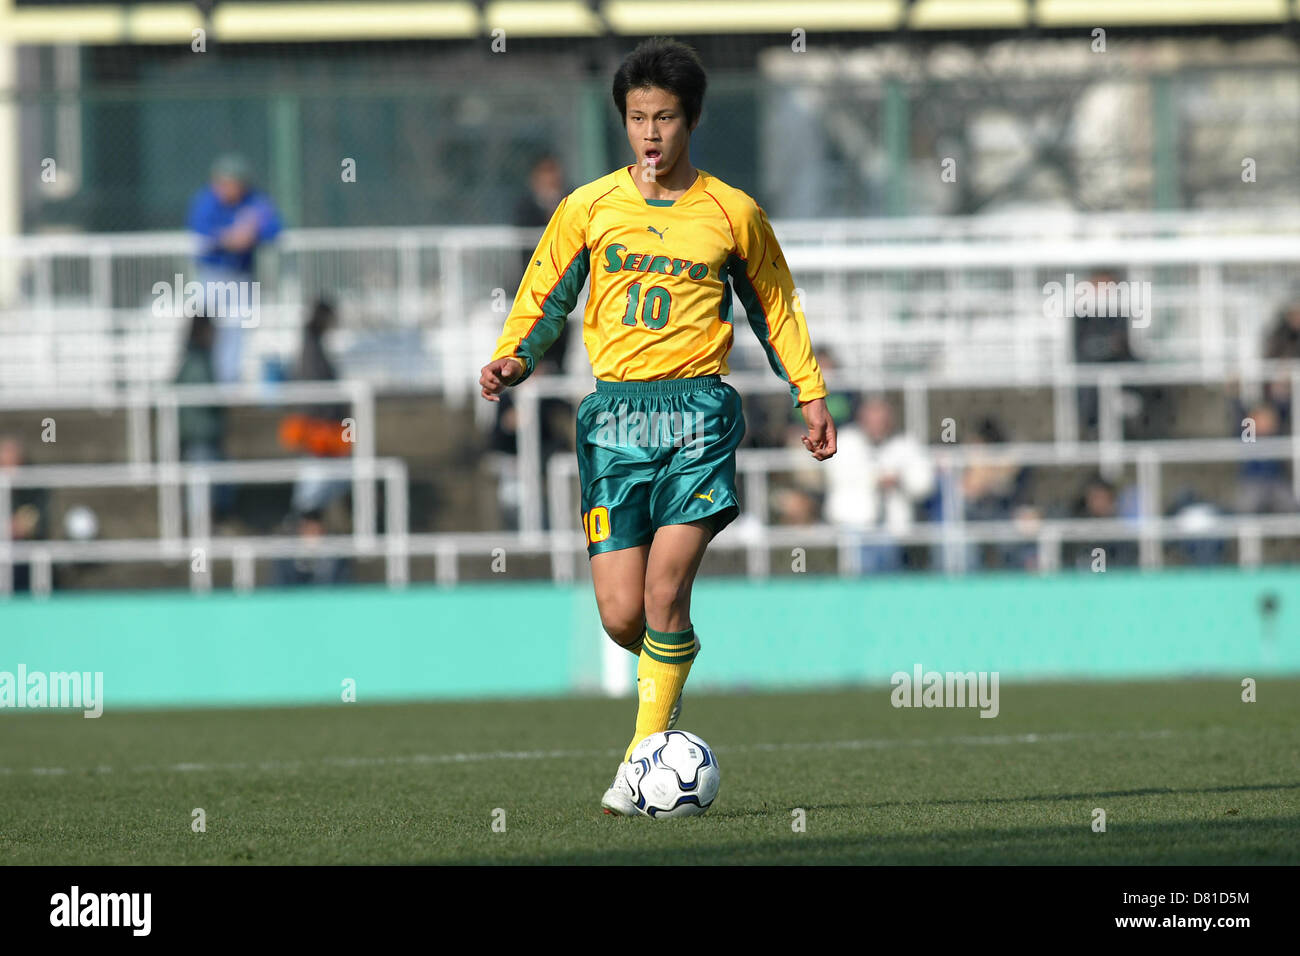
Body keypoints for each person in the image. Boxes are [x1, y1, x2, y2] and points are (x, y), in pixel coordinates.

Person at [479, 37, 836, 816]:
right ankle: (669, 673)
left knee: (666, 593)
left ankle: (640, 764)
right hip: (613, 420)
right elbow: (545, 295)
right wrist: (513, 360)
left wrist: (809, 392)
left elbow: (775, 306)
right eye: (638, 117)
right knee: (623, 613)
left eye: (665, 117)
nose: (650, 133)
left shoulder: (732, 213)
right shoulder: (588, 207)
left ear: (692, 120)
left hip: (698, 417)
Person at [186, 154, 283, 384]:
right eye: (223, 183)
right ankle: (200, 378)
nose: (227, 189)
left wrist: (253, 232)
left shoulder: (254, 201)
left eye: (233, 184)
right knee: (202, 327)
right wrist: (229, 237)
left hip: (240, 276)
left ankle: (227, 381)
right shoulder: (206, 201)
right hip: (210, 274)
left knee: (236, 327)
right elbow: (200, 230)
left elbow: (275, 227)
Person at [823, 396, 933, 573]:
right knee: (859, 581)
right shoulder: (845, 441)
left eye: (882, 420)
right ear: (862, 420)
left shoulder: (906, 444)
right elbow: (837, 474)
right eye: (872, 420)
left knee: (890, 581)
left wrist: (900, 480)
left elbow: (924, 484)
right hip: (853, 526)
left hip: (893, 529)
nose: (877, 425)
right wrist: (875, 479)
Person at [174, 313, 233, 522]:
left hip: (200, 441)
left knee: (205, 498)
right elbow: (206, 401)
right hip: (200, 441)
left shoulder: (196, 359)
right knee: (200, 503)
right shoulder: (198, 361)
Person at [1, 437, 48, 593]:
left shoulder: (33, 489)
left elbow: (32, 522)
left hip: (23, 560)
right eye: (2, 463)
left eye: (11, 462)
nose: (7, 468)